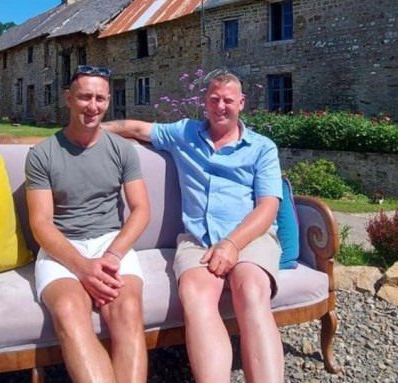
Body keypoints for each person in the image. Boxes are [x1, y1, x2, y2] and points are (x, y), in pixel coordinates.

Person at [102, 71, 284, 383]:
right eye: (214, 99)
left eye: (228, 100)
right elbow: (135, 128)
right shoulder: (183, 133)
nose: (221, 106)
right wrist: (85, 129)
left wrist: (232, 244)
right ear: (205, 103)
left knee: (251, 291)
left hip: (249, 236)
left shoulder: (262, 148)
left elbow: (268, 206)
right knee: (196, 297)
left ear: (241, 103)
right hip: (197, 241)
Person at [26, 65, 150, 383]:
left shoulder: (122, 150)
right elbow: (41, 223)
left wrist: (112, 255)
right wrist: (82, 266)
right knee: (68, 312)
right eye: (84, 97)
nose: (92, 106)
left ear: (108, 101)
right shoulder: (42, 154)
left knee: (128, 311)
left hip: (111, 243)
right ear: (68, 98)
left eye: (100, 98)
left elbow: (140, 210)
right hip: (61, 248)